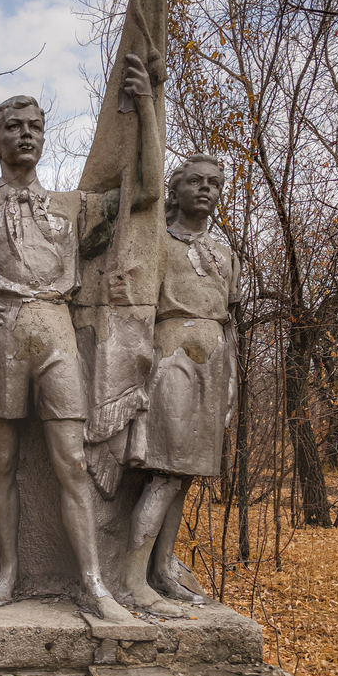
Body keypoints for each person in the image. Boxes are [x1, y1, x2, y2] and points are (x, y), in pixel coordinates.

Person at [0, 61, 157, 621]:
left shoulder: (73, 207)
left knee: (70, 464)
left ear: (44, 136)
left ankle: (93, 583)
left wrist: (146, 106)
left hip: (57, 333)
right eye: (13, 126)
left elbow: (146, 190)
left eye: (34, 125)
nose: (25, 133)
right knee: (2, 467)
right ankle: (8, 571)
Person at [122, 154, 240, 617]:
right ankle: (132, 579)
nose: (206, 188)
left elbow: (229, 322)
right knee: (165, 471)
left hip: (214, 364)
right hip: (170, 359)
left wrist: (230, 381)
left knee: (186, 473)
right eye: (195, 181)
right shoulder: (157, 242)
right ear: (175, 189)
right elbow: (134, 309)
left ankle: (162, 568)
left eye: (214, 182)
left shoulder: (224, 251)